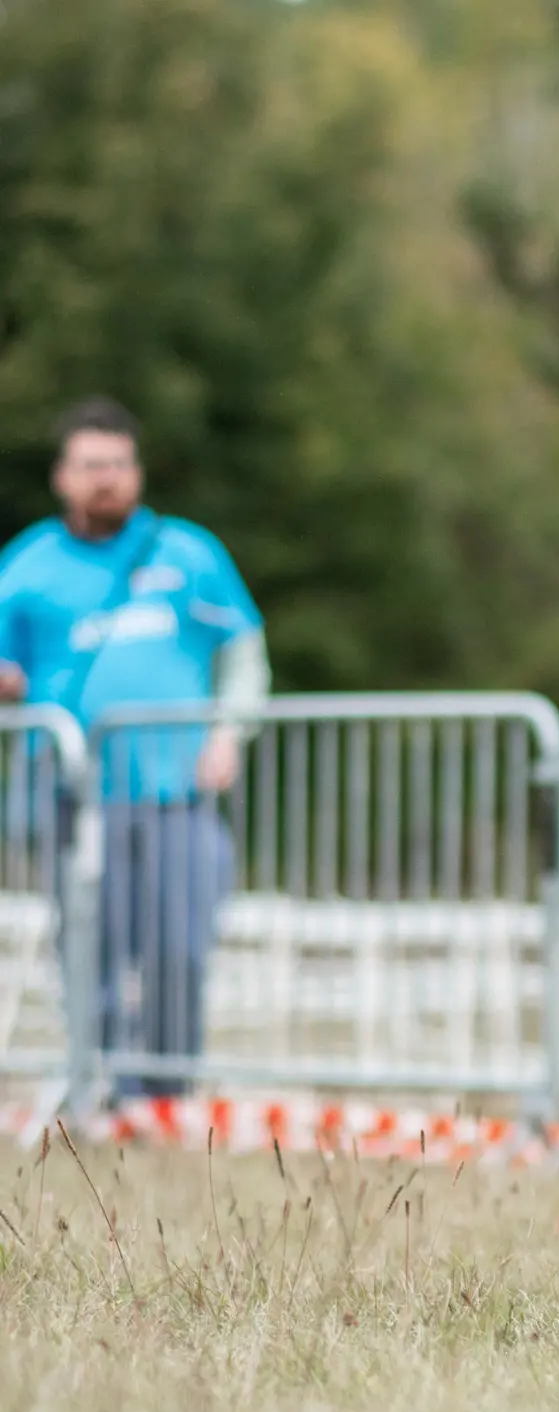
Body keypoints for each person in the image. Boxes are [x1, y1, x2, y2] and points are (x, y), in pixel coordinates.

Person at [0, 397, 270, 1100]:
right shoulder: (27, 566)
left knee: (180, 950)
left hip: (177, 791)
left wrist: (230, 731)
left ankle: (167, 1093)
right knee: (92, 952)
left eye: (119, 465)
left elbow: (243, 649)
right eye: (92, 466)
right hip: (79, 798)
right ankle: (102, 1087)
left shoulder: (187, 552)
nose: (107, 479)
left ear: (138, 472)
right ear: (63, 476)